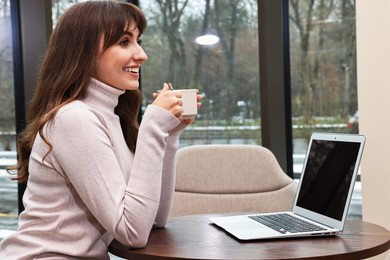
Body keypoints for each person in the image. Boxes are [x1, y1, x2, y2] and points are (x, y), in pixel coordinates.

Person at [0, 1, 201, 259]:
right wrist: (153, 125)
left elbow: (154, 220)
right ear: (84, 52)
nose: (142, 55)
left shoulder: (109, 116)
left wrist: (169, 134)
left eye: (139, 40)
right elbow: (132, 232)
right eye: (124, 42)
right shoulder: (74, 118)